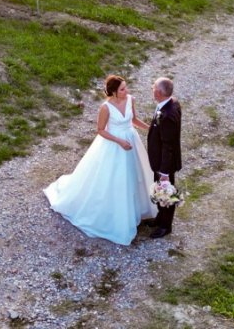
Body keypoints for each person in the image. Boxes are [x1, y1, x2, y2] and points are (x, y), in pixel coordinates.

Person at [44, 75, 158, 245]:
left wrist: (151, 129)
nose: (126, 91)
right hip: (114, 144)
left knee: (136, 175)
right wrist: (119, 141)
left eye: (126, 87)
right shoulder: (105, 108)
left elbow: (133, 120)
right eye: (122, 89)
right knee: (114, 178)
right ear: (113, 91)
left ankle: (138, 209)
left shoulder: (130, 100)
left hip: (131, 141)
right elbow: (101, 130)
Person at [133, 76, 181, 239]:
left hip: (164, 163)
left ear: (159, 93)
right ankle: (160, 218)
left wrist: (165, 172)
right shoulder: (171, 102)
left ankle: (165, 227)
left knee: (167, 192)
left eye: (153, 87)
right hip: (160, 161)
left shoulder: (167, 115)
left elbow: (168, 145)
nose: (152, 89)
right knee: (160, 191)